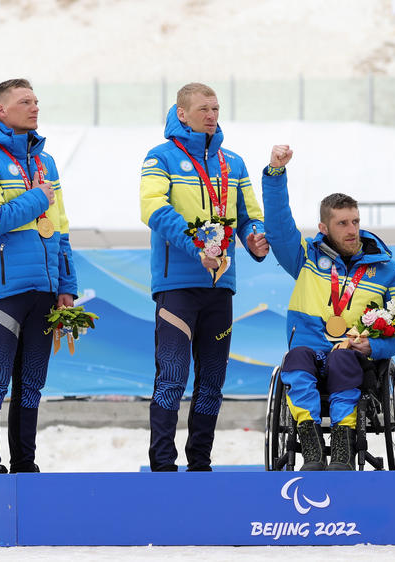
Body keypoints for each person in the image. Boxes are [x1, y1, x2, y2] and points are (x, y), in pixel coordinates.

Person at [262, 145, 395, 471]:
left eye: (355, 221)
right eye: (343, 223)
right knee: (296, 357)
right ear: (323, 228)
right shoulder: (304, 257)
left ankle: (345, 448)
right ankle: (312, 446)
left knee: (344, 357)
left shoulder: (388, 269)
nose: (352, 230)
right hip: (310, 352)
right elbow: (278, 227)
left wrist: (374, 345)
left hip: (355, 359)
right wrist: (276, 174)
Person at [139, 82, 269, 472]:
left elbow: (248, 215)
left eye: (216, 109)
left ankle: (201, 462)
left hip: (219, 286)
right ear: (182, 114)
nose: (212, 115)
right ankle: (163, 463)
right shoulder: (160, 157)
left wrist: (254, 238)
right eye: (203, 110)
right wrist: (196, 245)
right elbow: (154, 209)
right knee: (173, 377)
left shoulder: (234, 163)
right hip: (177, 285)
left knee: (212, 380)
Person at [0, 78, 78, 473]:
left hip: (44, 290)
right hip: (3, 291)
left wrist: (66, 287)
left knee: (31, 386)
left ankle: (25, 465)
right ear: (1, 110)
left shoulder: (46, 162)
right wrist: (37, 197)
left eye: (37, 101)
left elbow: (59, 231)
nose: (35, 107)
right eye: (25, 101)